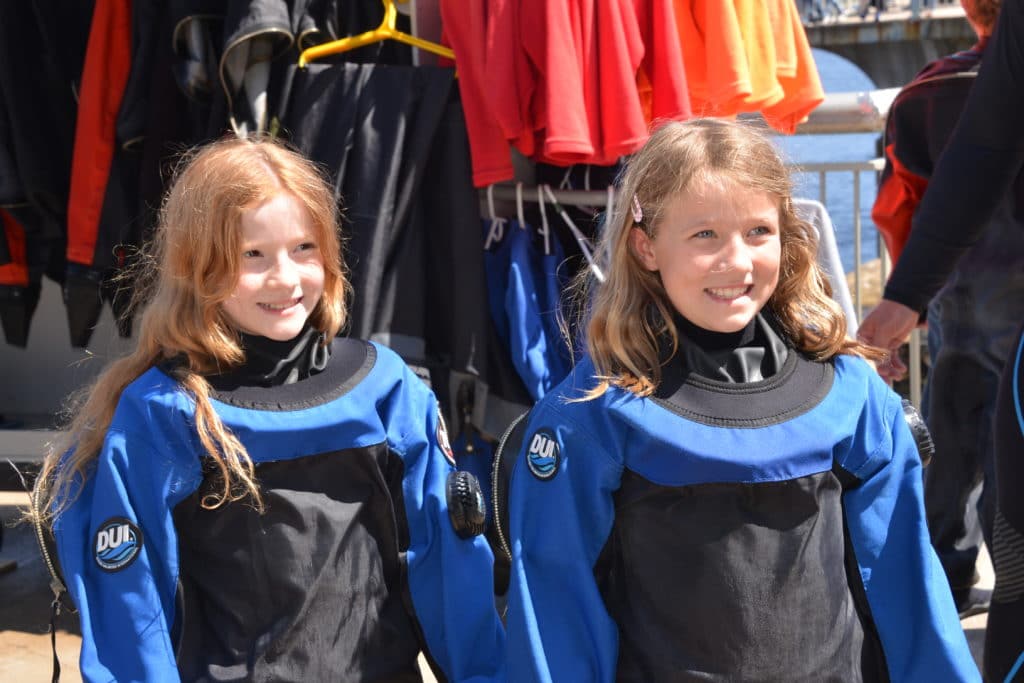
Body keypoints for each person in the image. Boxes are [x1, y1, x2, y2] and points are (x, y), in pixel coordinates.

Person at [499, 118, 978, 682]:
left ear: (786, 235)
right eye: (704, 235)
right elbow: (556, 613)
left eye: (758, 231)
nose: (738, 261)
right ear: (646, 245)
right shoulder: (593, 416)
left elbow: (909, 585)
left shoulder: (850, 396)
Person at [29, 136, 505, 682]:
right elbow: (133, 611)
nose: (284, 277)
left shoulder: (386, 388)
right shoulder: (166, 412)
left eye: (304, 248)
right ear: (199, 266)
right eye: (252, 256)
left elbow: (449, 567)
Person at [858, 0, 1024, 677]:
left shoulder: (926, 92)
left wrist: (906, 298)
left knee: (954, 454)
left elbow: (919, 192)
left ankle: (946, 582)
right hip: (998, 303)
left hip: (965, 296)